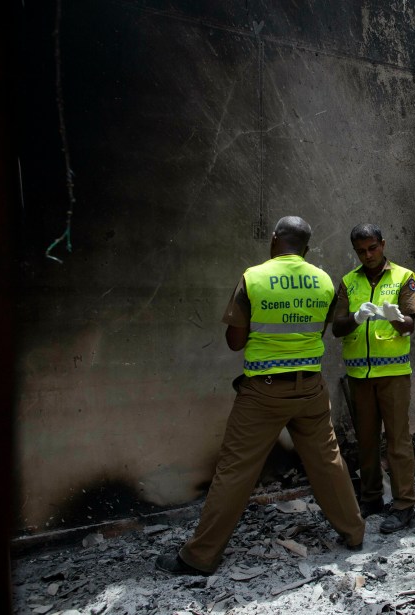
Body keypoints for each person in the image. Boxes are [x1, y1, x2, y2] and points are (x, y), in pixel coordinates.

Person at [156, 216, 365, 576]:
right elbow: (324, 327)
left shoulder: (252, 278)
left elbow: (235, 341)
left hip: (263, 391)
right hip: (310, 388)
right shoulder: (325, 281)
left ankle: (200, 556)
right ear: (307, 247)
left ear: (273, 240)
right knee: (328, 462)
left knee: (235, 471)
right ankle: (354, 532)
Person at [332, 223, 415, 534]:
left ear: (383, 244)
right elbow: (337, 327)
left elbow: (411, 325)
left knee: (397, 440)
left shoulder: (403, 276)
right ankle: (370, 498)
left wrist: (396, 317)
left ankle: (404, 504)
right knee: (366, 440)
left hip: (393, 374)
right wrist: (356, 318)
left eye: (372, 248)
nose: (368, 255)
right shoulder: (348, 282)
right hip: (359, 374)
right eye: (361, 251)